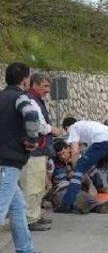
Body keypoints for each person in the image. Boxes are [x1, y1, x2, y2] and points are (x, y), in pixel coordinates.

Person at [0, 62, 43, 253]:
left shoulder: (1, 97)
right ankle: (25, 252)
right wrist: (33, 140)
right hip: (7, 164)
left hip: (6, 164)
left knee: (17, 207)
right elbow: (32, 115)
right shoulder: (20, 98)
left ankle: (25, 252)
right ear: (25, 80)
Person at [58, 117, 108, 212]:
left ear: (67, 127)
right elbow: (86, 149)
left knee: (79, 169)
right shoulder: (85, 125)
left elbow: (75, 151)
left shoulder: (73, 128)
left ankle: (66, 204)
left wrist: (76, 167)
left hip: (101, 141)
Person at [21, 73, 62, 231]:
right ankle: (31, 219)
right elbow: (38, 125)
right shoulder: (31, 100)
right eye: (45, 86)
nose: (48, 90)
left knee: (38, 184)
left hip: (39, 150)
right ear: (35, 84)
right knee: (33, 185)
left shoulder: (34, 100)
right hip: (34, 150)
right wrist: (54, 129)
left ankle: (34, 214)